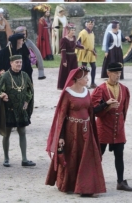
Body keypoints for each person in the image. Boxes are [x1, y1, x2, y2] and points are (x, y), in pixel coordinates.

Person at [46, 67, 107, 196]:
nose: (88, 79)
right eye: (85, 77)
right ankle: (69, 184)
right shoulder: (67, 94)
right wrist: (61, 136)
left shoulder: (86, 92)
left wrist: (105, 105)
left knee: (87, 157)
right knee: (71, 156)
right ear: (78, 79)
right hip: (71, 130)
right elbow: (61, 116)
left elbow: (91, 111)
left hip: (86, 130)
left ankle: (86, 187)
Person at [92, 62, 132, 192]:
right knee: (98, 154)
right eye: (115, 73)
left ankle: (120, 182)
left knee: (119, 154)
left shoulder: (124, 89)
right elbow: (94, 110)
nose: (118, 76)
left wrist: (122, 123)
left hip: (118, 127)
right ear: (108, 73)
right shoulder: (100, 89)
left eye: (119, 73)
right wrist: (106, 106)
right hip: (104, 127)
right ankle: (93, 179)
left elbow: (124, 109)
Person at [0, 55, 36, 167]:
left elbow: (29, 90)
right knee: (6, 134)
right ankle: (6, 158)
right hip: (9, 110)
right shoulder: (5, 77)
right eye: (17, 62)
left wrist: (27, 101)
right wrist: (2, 95)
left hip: (21, 110)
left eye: (20, 62)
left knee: (22, 132)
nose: (19, 64)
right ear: (11, 63)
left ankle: (24, 159)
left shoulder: (25, 75)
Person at [77, 19, 98, 87]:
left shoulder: (92, 33)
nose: (90, 25)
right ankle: (84, 83)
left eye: (91, 24)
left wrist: (95, 51)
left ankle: (92, 83)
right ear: (86, 25)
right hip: (85, 52)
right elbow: (78, 41)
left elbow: (92, 43)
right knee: (84, 68)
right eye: (89, 24)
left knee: (94, 67)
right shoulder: (83, 32)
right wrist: (80, 45)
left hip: (91, 52)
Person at [58, 24, 78, 90]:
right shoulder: (64, 39)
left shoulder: (74, 38)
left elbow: (75, 45)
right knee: (66, 72)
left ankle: (73, 84)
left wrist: (84, 47)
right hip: (67, 57)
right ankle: (65, 85)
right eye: (72, 30)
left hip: (73, 57)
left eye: (74, 30)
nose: (73, 31)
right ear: (68, 31)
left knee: (74, 71)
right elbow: (63, 50)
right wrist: (64, 60)